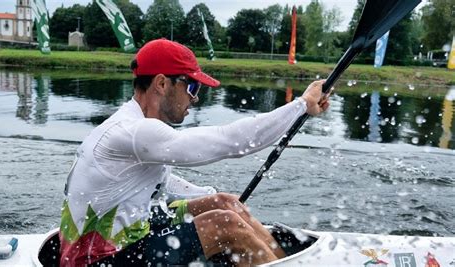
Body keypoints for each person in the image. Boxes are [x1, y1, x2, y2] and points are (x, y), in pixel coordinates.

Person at [59, 39, 330, 267]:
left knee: (227, 204)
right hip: (99, 261)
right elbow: (230, 141)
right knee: (224, 224)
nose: (195, 98)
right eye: (192, 87)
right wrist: (301, 105)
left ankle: (281, 260)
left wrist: (213, 196)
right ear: (162, 84)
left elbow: (161, 182)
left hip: (132, 235)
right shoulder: (134, 132)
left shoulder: (137, 129)